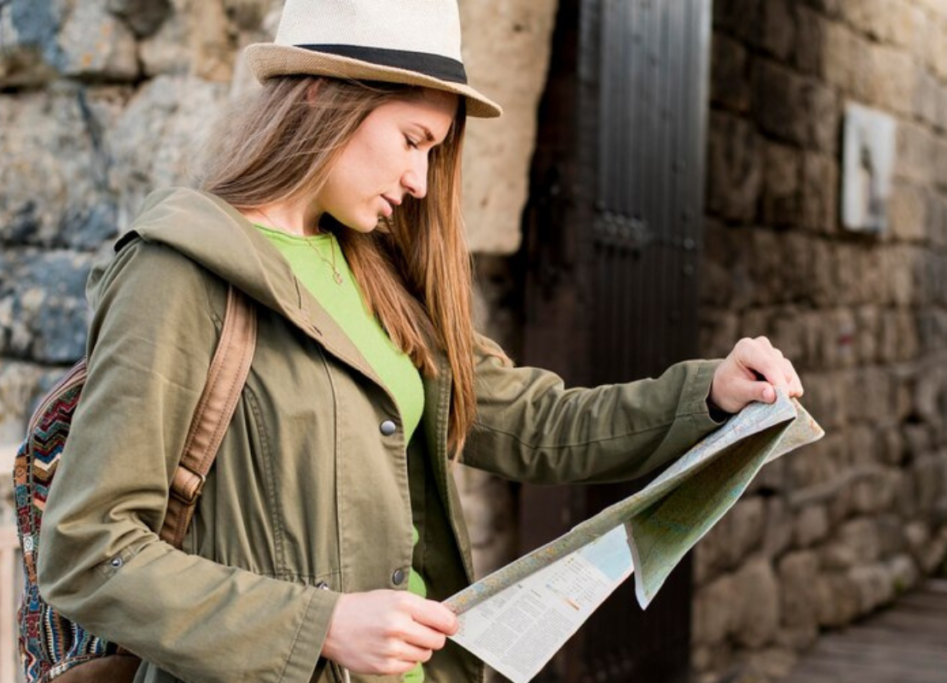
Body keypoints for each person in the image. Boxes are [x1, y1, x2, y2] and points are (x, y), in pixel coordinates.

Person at [36, 0, 803, 682]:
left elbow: (531, 423)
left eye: (433, 150)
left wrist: (706, 394)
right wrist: (321, 625)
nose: (421, 180)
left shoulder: (379, 273)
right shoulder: (180, 269)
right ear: (320, 96)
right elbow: (88, 547)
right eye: (412, 139)